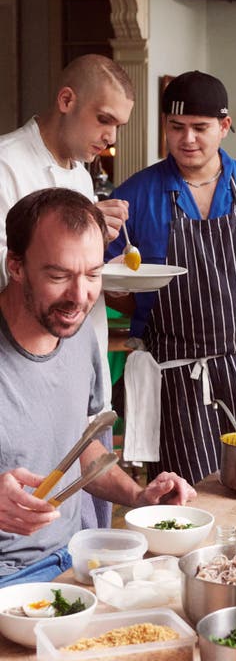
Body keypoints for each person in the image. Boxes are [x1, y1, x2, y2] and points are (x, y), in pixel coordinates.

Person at [106, 71, 236, 485]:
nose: (188, 139)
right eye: (176, 127)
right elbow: (107, 278)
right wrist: (145, 305)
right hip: (176, 378)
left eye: (200, 128)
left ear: (224, 126)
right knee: (185, 500)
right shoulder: (135, 197)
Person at [0, 188, 195, 585]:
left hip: (72, 562)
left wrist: (139, 497)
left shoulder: (81, 333)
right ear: (15, 265)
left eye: (92, 274)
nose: (80, 296)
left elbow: (80, 444)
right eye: (58, 276)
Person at [0, 54, 135, 527]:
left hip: (80, 354)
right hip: (20, 369)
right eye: (104, 119)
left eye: (118, 125)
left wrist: (96, 263)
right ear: (66, 100)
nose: (111, 137)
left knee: (84, 491)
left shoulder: (80, 173)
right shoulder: (6, 164)